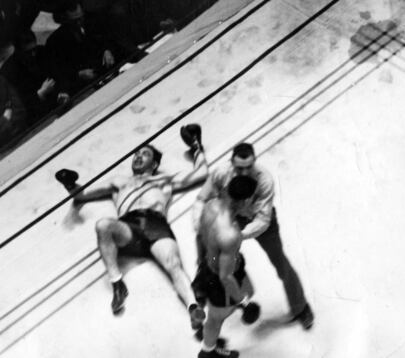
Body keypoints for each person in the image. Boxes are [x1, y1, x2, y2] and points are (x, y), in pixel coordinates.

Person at [55, 124, 207, 331]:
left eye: (144, 154)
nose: (138, 157)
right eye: (136, 154)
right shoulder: (118, 182)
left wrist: (197, 147)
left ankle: (193, 308)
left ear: (154, 163)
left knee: (173, 264)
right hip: (129, 226)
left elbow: (201, 174)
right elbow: (82, 195)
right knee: (103, 225)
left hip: (156, 224)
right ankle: (117, 283)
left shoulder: (163, 180)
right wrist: (69, 182)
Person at [193, 142, 314, 329]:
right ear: (231, 162)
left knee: (281, 263)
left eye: (248, 167)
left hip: (259, 223)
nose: (244, 172)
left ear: (255, 162)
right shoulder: (220, 172)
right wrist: (199, 223)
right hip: (232, 217)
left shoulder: (265, 180)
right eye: (239, 168)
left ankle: (300, 307)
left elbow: (263, 220)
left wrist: (237, 236)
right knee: (207, 248)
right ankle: (203, 285)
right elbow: (202, 198)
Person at [192, 175, 261, 358]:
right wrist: (242, 303)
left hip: (212, 264)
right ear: (245, 200)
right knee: (216, 319)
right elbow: (225, 277)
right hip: (221, 278)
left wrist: (200, 261)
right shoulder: (231, 234)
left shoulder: (210, 206)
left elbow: (199, 236)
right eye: (252, 199)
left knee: (249, 289)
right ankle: (208, 350)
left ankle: (209, 330)